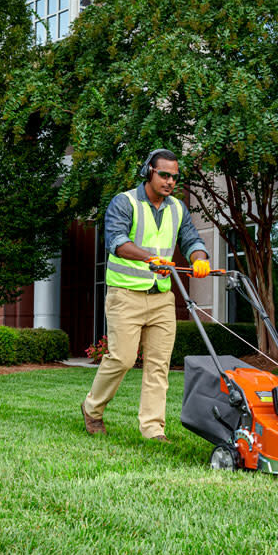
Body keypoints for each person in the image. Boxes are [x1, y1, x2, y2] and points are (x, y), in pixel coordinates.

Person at [81, 149, 211, 442]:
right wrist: (149, 258)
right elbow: (117, 242)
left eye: (174, 177)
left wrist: (199, 258)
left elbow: (191, 239)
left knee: (158, 365)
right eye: (164, 175)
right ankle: (92, 408)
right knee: (122, 359)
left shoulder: (177, 208)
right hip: (125, 295)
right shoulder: (125, 202)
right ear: (148, 172)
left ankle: (153, 429)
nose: (170, 182)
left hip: (161, 297)